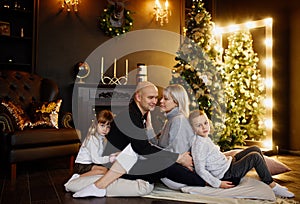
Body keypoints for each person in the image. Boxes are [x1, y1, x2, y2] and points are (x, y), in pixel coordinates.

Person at [72, 81, 206, 198]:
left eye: (156, 97)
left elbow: (144, 146)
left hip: (126, 160)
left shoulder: (137, 114)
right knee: (164, 165)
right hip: (116, 165)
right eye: (150, 97)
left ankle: (203, 180)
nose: (155, 101)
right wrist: (177, 158)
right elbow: (143, 149)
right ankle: (203, 182)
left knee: (163, 162)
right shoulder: (130, 116)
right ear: (138, 97)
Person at [189, 109, 295, 198]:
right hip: (227, 175)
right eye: (199, 125)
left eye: (205, 123)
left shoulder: (203, 138)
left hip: (228, 165)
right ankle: (272, 185)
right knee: (255, 157)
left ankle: (266, 177)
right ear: (193, 128)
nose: (204, 127)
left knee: (255, 148)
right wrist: (218, 183)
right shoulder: (199, 145)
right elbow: (200, 169)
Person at [147, 84, 195, 154]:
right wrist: (149, 124)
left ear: (176, 102)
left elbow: (177, 154)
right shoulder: (171, 119)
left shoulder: (178, 120)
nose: (161, 101)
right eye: (162, 98)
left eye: (166, 99)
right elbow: (159, 145)